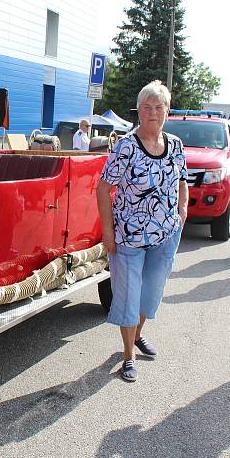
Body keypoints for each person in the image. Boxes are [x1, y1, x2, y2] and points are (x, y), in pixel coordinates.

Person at [96, 80, 188, 383]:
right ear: (139, 111)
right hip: (128, 237)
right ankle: (127, 355)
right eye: (146, 107)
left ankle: (138, 334)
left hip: (165, 233)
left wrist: (182, 212)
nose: (152, 112)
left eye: (158, 107)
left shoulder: (174, 144)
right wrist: (108, 232)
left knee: (150, 294)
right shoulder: (126, 145)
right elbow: (103, 188)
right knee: (128, 295)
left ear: (167, 111)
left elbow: (182, 180)